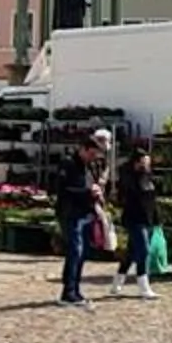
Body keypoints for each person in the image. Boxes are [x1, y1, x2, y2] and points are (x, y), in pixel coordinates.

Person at [53, 131, 105, 308]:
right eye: (91, 154)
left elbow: (89, 185)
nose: (93, 158)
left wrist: (96, 192)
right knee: (75, 250)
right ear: (83, 149)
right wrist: (88, 192)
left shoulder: (88, 166)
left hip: (85, 212)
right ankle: (68, 291)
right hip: (70, 213)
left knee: (82, 253)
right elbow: (63, 189)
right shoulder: (68, 164)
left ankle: (74, 289)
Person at [110, 141, 161, 301]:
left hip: (148, 218)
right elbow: (127, 194)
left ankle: (117, 281)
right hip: (134, 218)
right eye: (144, 161)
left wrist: (157, 219)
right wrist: (138, 172)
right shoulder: (129, 177)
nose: (147, 164)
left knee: (132, 252)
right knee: (143, 251)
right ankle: (144, 285)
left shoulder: (148, 177)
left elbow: (152, 199)